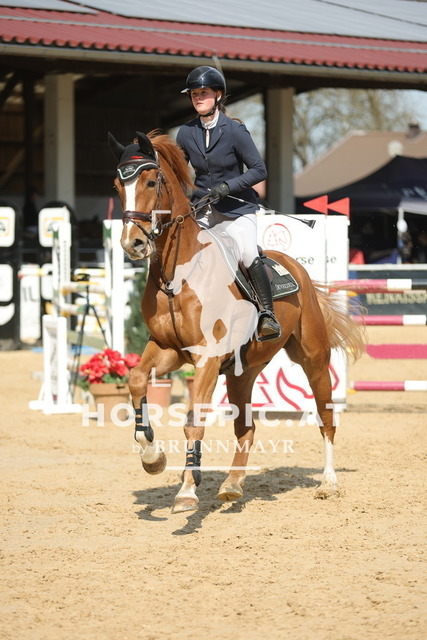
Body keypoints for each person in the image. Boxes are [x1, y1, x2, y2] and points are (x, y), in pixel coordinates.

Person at [176, 65, 281, 340]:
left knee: (247, 254)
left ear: (218, 95)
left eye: (204, 93)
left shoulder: (235, 130)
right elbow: (178, 172)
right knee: (185, 253)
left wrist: (227, 187)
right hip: (203, 208)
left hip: (237, 209)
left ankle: (267, 314)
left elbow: (259, 170)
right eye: (194, 94)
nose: (198, 98)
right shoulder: (186, 132)